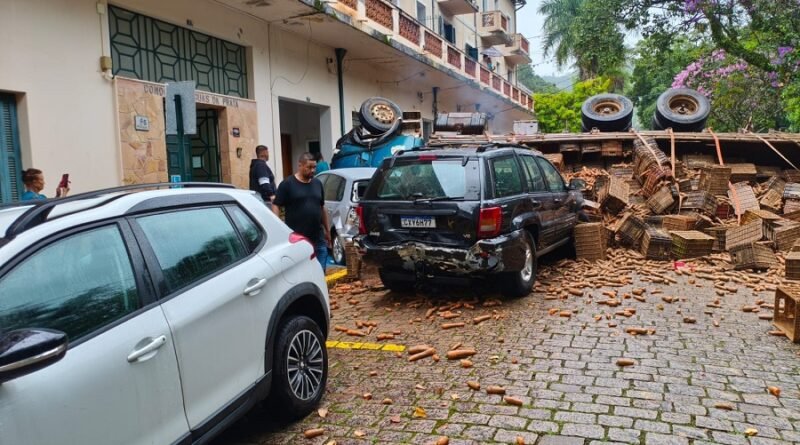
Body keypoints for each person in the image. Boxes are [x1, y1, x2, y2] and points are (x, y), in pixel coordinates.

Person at [273, 152, 331, 271]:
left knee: (320, 272)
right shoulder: (287, 184)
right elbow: (276, 205)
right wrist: (277, 227)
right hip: (298, 239)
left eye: (314, 167)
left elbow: (322, 207)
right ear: (300, 165)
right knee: (303, 272)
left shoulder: (317, 184)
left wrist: (327, 230)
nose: (313, 170)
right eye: (309, 167)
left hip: (318, 237)